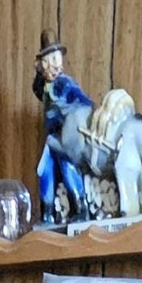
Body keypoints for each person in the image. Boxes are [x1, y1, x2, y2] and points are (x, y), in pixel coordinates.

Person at [33, 29, 89, 225]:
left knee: (68, 167)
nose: (54, 65)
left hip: (66, 138)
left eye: (56, 59)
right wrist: (39, 74)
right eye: (49, 61)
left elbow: (84, 104)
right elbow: (38, 90)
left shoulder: (65, 83)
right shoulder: (46, 85)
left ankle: (80, 207)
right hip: (52, 139)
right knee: (45, 171)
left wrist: (69, 112)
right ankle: (47, 212)